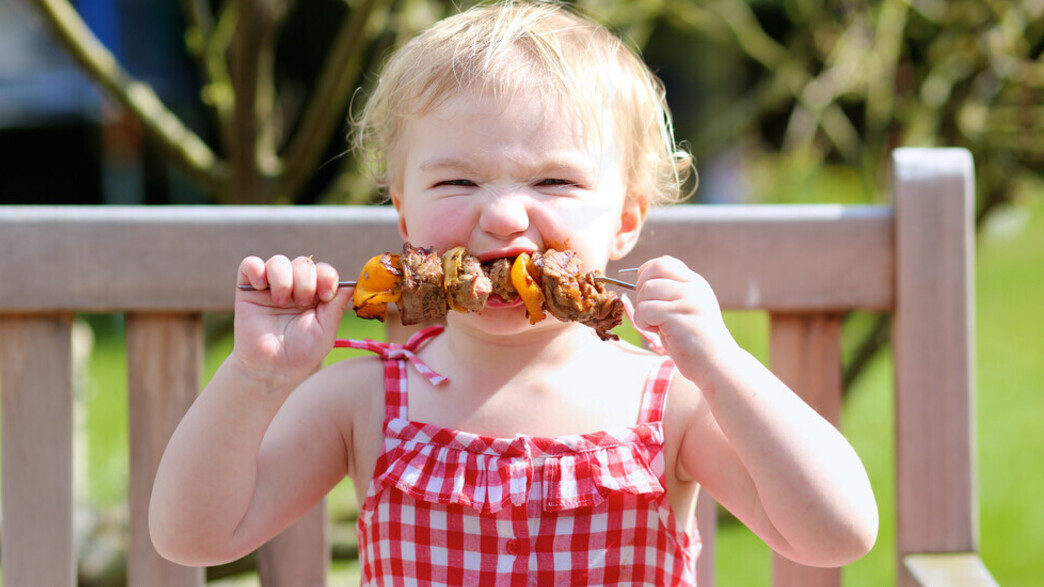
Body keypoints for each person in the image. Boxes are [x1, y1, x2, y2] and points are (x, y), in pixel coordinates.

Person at [149, 1, 878, 584]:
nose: (500, 216)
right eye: (457, 181)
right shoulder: (367, 400)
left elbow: (835, 534)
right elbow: (191, 537)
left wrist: (724, 365)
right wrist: (256, 378)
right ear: (403, 216)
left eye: (553, 181)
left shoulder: (672, 403)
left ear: (626, 220)